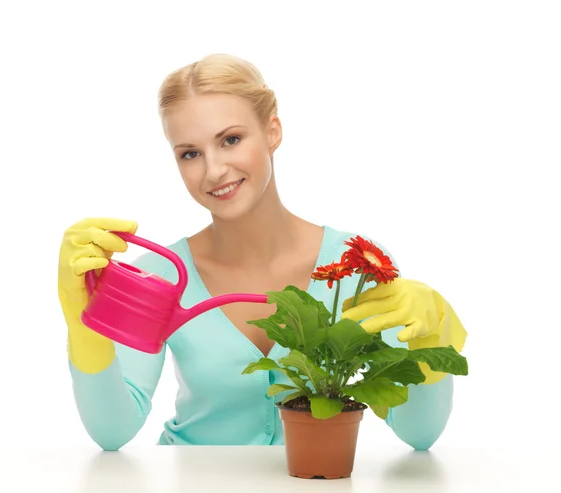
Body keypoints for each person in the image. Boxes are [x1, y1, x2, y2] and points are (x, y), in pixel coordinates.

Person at [57, 53, 467, 451]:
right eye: (190, 153)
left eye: (231, 140)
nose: (214, 170)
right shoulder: (159, 276)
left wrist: (432, 338)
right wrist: (84, 325)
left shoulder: (356, 266)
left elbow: (419, 434)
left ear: (272, 131)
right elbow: (112, 432)